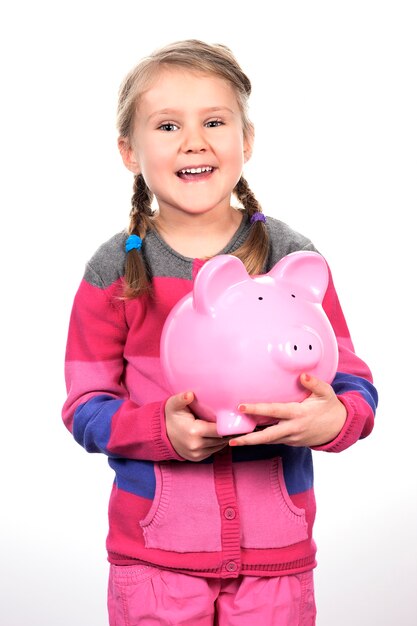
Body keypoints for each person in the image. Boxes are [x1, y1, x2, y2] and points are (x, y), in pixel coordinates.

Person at [62, 39, 378, 626]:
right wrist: (161, 431)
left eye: (213, 121)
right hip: (153, 558)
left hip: (276, 559)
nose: (194, 141)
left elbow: (352, 381)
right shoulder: (114, 271)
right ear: (129, 152)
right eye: (167, 125)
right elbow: (85, 405)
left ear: (246, 141)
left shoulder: (289, 255)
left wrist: (336, 419)